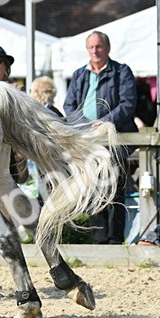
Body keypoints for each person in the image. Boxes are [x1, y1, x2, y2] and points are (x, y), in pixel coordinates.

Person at [62, 30, 137, 244]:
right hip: (88, 139)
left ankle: (114, 239)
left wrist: (105, 122)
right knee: (93, 187)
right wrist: (84, 125)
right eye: (91, 47)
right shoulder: (79, 74)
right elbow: (69, 105)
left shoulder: (121, 72)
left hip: (114, 138)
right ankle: (98, 238)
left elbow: (128, 104)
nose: (95, 51)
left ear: (107, 48)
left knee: (114, 187)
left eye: (99, 46)